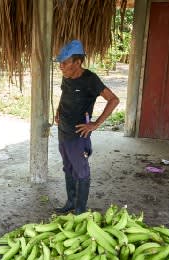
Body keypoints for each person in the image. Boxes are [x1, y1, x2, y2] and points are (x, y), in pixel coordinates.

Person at [54, 40, 120, 215]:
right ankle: (70, 202)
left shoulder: (90, 79)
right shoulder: (66, 76)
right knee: (67, 167)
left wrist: (95, 124)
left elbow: (114, 100)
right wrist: (58, 111)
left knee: (80, 170)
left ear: (77, 62)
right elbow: (64, 94)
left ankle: (81, 210)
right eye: (60, 63)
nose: (61, 66)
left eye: (65, 63)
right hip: (63, 131)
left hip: (78, 134)